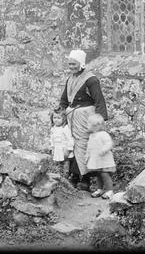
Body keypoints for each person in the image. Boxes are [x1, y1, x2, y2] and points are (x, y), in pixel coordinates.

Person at [57, 49, 108, 191]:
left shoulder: (91, 80)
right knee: (71, 145)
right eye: (69, 64)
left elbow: (99, 100)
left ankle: (85, 179)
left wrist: (99, 120)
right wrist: (61, 111)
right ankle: (73, 176)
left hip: (86, 119)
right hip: (72, 119)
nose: (71, 67)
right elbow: (64, 99)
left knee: (83, 147)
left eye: (74, 64)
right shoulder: (70, 79)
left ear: (81, 63)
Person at [85, 113, 116, 199]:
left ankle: (110, 191)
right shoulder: (91, 136)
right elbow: (89, 147)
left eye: (88, 123)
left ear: (96, 125)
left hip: (104, 159)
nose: (87, 125)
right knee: (98, 175)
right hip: (96, 160)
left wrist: (104, 149)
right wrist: (87, 156)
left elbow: (109, 143)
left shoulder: (103, 134)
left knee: (105, 174)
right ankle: (100, 189)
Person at [49, 110, 75, 178]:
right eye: (54, 118)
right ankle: (59, 177)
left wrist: (69, 150)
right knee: (58, 164)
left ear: (63, 119)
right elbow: (52, 139)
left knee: (66, 165)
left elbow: (70, 139)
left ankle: (66, 177)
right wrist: (53, 148)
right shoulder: (53, 128)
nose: (56, 120)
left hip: (64, 150)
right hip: (57, 149)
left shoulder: (65, 128)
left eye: (58, 118)